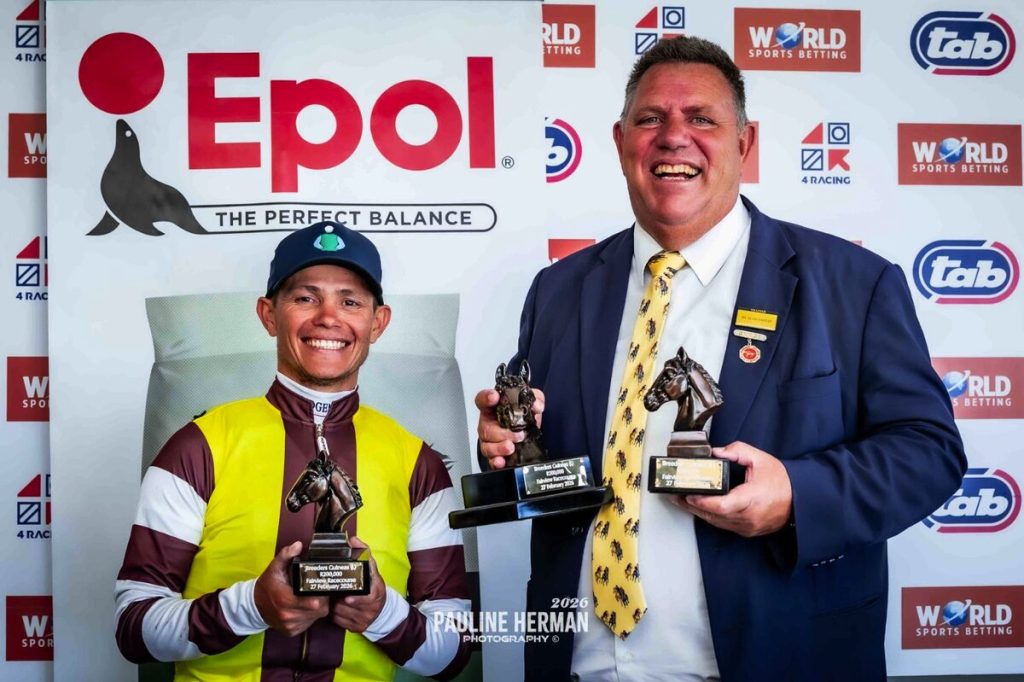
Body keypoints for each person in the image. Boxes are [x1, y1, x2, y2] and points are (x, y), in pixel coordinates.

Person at [476, 36, 966, 681]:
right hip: (581, 665)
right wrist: (504, 442)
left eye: (701, 118)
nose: (673, 137)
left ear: (744, 142)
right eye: (650, 119)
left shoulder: (854, 283)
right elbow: (541, 457)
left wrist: (797, 495)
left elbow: (929, 453)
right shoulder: (558, 289)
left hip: (780, 660)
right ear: (621, 142)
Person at [115, 221, 472, 680]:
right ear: (268, 314)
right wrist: (250, 607)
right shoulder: (198, 445)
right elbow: (133, 628)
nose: (328, 317)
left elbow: (454, 650)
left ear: (378, 322)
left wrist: (383, 616)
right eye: (305, 298)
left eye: (350, 301)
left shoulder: (418, 463)